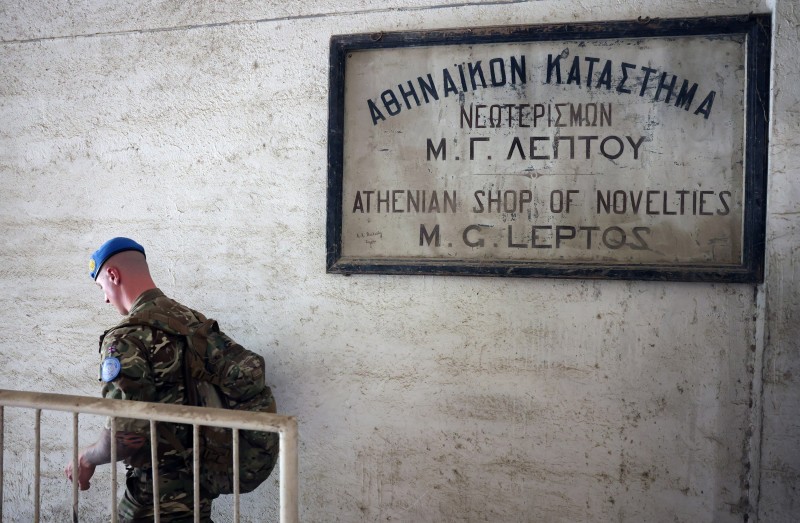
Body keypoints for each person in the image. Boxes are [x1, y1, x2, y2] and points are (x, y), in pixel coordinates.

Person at [65, 237, 214, 522]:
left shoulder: (125, 338)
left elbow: (127, 435)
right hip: (201, 482)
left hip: (155, 492)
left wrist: (86, 458)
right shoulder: (193, 321)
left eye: (101, 288)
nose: (105, 298)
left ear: (113, 275)